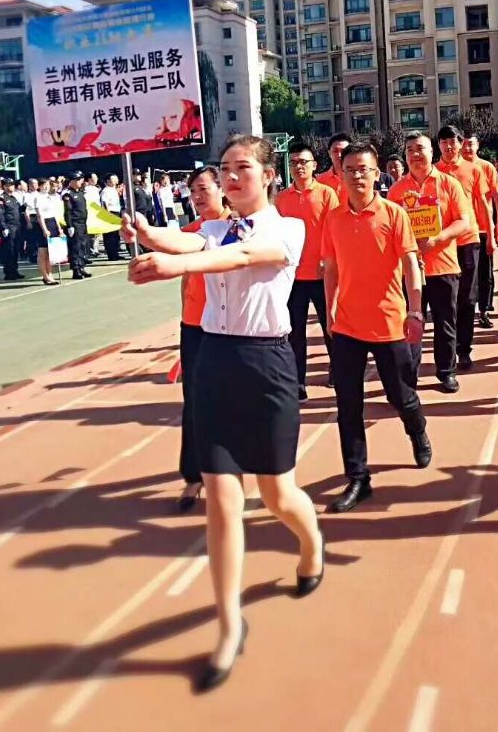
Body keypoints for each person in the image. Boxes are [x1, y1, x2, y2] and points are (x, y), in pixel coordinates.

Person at [125, 135, 323, 692]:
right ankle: (230, 624)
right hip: (214, 362)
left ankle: (311, 546)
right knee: (222, 500)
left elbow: (239, 257)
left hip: (267, 366)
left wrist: (173, 263)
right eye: (225, 169)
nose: (232, 178)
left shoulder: (288, 229)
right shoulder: (213, 228)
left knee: (278, 494)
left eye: (243, 168)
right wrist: (146, 232)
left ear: (268, 175)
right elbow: (188, 239)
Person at [322, 140, 431, 512]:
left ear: (376, 173)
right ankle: (358, 477)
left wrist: (415, 311)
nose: (356, 176)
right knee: (347, 404)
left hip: (389, 323)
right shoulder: (334, 219)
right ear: (341, 174)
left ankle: (417, 429)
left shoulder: (394, 214)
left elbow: (411, 265)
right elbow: (331, 269)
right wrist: (330, 311)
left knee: (400, 396)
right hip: (348, 326)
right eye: (349, 170)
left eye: (363, 170)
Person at [124, 166, 228, 512]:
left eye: (204, 189)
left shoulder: (238, 227)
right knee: (195, 402)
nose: (197, 197)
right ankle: (194, 475)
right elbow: (172, 252)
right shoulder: (192, 230)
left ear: (222, 189)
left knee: (234, 399)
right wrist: (141, 234)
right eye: (193, 191)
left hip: (230, 327)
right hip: (195, 327)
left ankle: (234, 468)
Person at [388, 132, 470, 392]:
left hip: (443, 265)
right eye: (409, 149)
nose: (414, 154)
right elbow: (389, 228)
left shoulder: (449, 184)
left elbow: (464, 221)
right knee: (410, 322)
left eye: (420, 148)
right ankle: (408, 375)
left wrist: (438, 238)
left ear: (432, 152)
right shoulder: (397, 190)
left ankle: (446, 371)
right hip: (409, 269)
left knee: (445, 321)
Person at [275, 141, 341, 400]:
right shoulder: (281, 199)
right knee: (295, 333)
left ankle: (338, 371)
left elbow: (334, 230)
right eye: (293, 163)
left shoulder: (327, 194)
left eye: (303, 162)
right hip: (292, 277)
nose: (298, 167)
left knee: (331, 327)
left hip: (323, 274)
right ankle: (298, 382)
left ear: (314, 165)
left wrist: (328, 259)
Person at [435, 124, 495, 369]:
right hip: (442, 244)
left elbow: (483, 203)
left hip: (469, 239)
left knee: (468, 298)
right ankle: (448, 352)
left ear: (460, 144)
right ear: (438, 145)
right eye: (444, 142)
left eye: (453, 142)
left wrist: (491, 234)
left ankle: (464, 349)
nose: (448, 147)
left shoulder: (473, 169)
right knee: (446, 301)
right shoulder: (433, 172)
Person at [461, 132, 498, 322]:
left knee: (485, 271)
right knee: (465, 273)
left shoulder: (486, 167)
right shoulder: (454, 168)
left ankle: (484, 309)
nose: (467, 148)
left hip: (484, 227)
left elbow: (497, 195)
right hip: (462, 230)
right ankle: (464, 308)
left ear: (478, 146)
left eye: (471, 144)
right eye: (464, 144)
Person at [64, 171, 91, 281]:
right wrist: (69, 225)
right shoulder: (68, 194)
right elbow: (67, 211)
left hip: (83, 223)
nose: (80, 182)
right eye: (78, 180)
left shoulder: (80, 193)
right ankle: (76, 269)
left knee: (83, 246)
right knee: (75, 247)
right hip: (75, 224)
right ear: (72, 181)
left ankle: (81, 266)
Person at [0, 178, 23, 281]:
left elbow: (17, 211)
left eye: (12, 185)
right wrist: (3, 227)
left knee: (15, 249)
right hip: (9, 226)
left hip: (17, 226)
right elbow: (0, 214)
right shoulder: (1, 198)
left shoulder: (13, 198)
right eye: (9, 185)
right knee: (9, 250)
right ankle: (9, 272)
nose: (12, 186)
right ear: (4, 186)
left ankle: (14, 270)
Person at [34, 178, 60, 286]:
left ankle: (50, 274)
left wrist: (59, 228)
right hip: (43, 224)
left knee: (50, 253)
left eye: (48, 185)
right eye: (44, 185)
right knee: (43, 252)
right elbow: (39, 215)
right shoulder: (38, 197)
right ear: (39, 186)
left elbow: (55, 214)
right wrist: (44, 229)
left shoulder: (50, 197)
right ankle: (45, 276)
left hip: (52, 222)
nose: (46, 187)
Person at [316, 132, 351, 196]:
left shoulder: (357, 177)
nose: (339, 155)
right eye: (335, 151)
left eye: (343, 151)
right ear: (329, 153)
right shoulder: (320, 180)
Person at [100, 174, 122, 261]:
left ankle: (116, 253)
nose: (116, 180)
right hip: (110, 213)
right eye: (113, 179)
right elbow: (104, 203)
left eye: (116, 178)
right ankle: (111, 255)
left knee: (116, 235)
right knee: (110, 235)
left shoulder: (114, 190)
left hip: (116, 212)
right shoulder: (106, 190)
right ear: (108, 181)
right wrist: (107, 216)